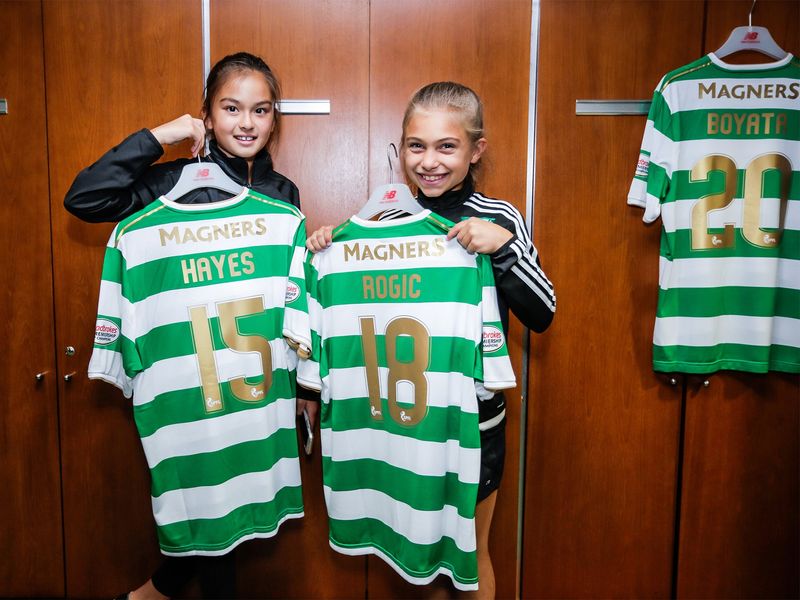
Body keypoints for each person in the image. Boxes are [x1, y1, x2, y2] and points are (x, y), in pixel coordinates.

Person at [65, 51, 317, 600]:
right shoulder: (170, 185)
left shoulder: (283, 198)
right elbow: (85, 198)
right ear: (207, 115)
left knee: (235, 516)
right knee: (211, 519)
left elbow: (294, 295)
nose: (246, 123)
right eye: (230, 108)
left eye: (261, 110)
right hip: (191, 390)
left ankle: (149, 594)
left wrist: (303, 387)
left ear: (275, 119)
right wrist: (160, 137)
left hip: (256, 388)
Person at [306, 81, 556, 599]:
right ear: (401, 149)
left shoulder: (499, 218)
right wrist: (329, 248)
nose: (430, 161)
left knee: (467, 553)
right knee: (418, 559)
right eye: (417, 146)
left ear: (476, 150)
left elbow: (543, 312)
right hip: (398, 423)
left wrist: (505, 249)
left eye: (448, 146)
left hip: (472, 420)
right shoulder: (385, 221)